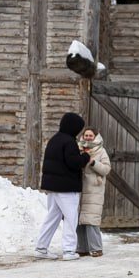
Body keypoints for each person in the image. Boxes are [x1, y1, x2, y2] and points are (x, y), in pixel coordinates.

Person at [35, 112, 90, 261]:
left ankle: (41, 247)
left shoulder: (54, 140)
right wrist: (85, 157)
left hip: (52, 187)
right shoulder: (69, 141)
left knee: (52, 217)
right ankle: (69, 251)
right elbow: (73, 163)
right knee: (71, 218)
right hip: (66, 187)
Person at [75, 126, 111, 258]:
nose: (88, 137)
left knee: (91, 220)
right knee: (79, 220)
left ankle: (96, 248)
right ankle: (82, 247)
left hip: (94, 188)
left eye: (90, 135)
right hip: (80, 187)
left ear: (95, 136)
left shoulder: (101, 151)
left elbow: (106, 169)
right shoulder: (78, 149)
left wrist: (93, 162)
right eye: (86, 135)